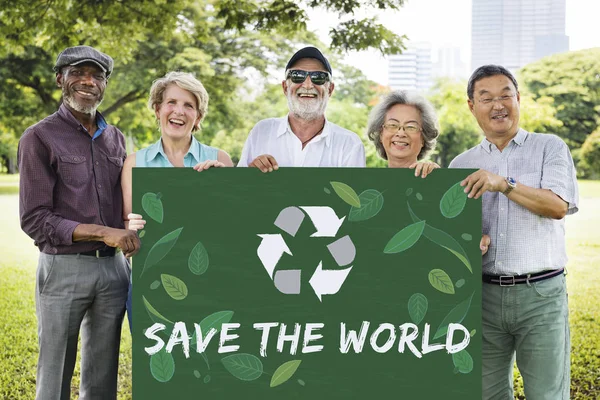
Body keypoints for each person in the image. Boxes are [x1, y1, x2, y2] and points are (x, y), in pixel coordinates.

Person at [449, 65, 579, 399]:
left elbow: (557, 206)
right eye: (486, 97)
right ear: (471, 105)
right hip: (484, 296)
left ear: (518, 98)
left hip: (541, 295)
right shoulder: (461, 165)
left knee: (547, 394)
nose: (498, 104)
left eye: (506, 94)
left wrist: (503, 184)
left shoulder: (550, 147)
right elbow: (454, 235)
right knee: (486, 393)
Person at [18, 45, 139, 400]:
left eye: (97, 75)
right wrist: (105, 232)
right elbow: (35, 220)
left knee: (103, 378)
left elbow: (127, 202)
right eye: (78, 72)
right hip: (64, 268)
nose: (88, 81)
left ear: (105, 84)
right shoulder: (39, 137)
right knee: (54, 373)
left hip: (114, 271)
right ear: (61, 79)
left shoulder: (116, 138)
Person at [121, 71, 233, 327]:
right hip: (152, 283)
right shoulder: (135, 163)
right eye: (172, 102)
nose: (179, 111)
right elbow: (126, 231)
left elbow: (233, 228)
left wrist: (223, 187)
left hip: (210, 282)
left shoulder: (220, 159)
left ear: (198, 116)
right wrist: (132, 229)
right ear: (158, 108)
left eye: (189, 105)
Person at [366, 90, 491, 254]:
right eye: (392, 125)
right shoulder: (366, 191)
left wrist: (477, 243)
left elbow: (459, 241)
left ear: (424, 137)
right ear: (381, 133)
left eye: (411, 127)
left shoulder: (442, 188)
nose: (401, 132)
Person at [237, 46, 366, 171]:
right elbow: (238, 189)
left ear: (330, 90)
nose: (308, 85)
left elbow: (353, 192)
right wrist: (251, 174)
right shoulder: (261, 132)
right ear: (285, 87)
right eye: (297, 76)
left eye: (318, 77)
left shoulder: (349, 144)